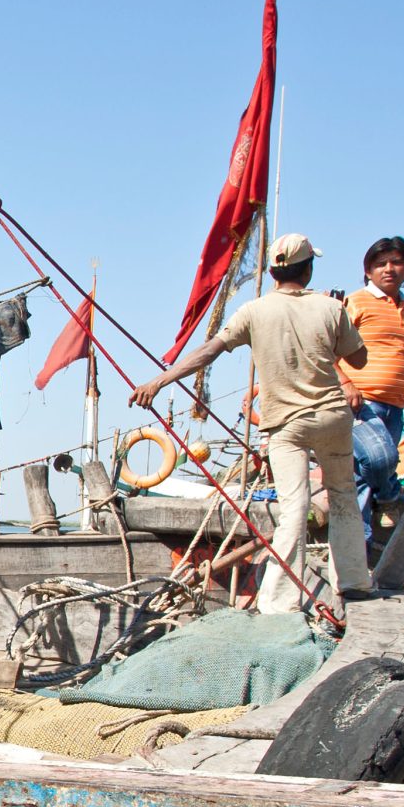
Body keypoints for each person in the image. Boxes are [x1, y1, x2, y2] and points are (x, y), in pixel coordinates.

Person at [130, 233, 375, 614]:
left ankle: (279, 602)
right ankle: (355, 582)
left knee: (295, 508)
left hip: (285, 424)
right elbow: (358, 362)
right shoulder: (330, 307)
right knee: (344, 496)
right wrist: (341, 318)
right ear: (308, 269)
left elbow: (208, 351)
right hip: (331, 416)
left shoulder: (254, 310)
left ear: (273, 272)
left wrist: (158, 382)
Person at [342, 235, 404, 521]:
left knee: (362, 479)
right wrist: (345, 384)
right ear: (368, 271)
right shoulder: (354, 303)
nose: (389, 268)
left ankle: (361, 551)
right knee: (381, 460)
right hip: (360, 404)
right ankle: (389, 494)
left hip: (395, 408)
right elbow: (323, 350)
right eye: (381, 264)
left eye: (397, 262)